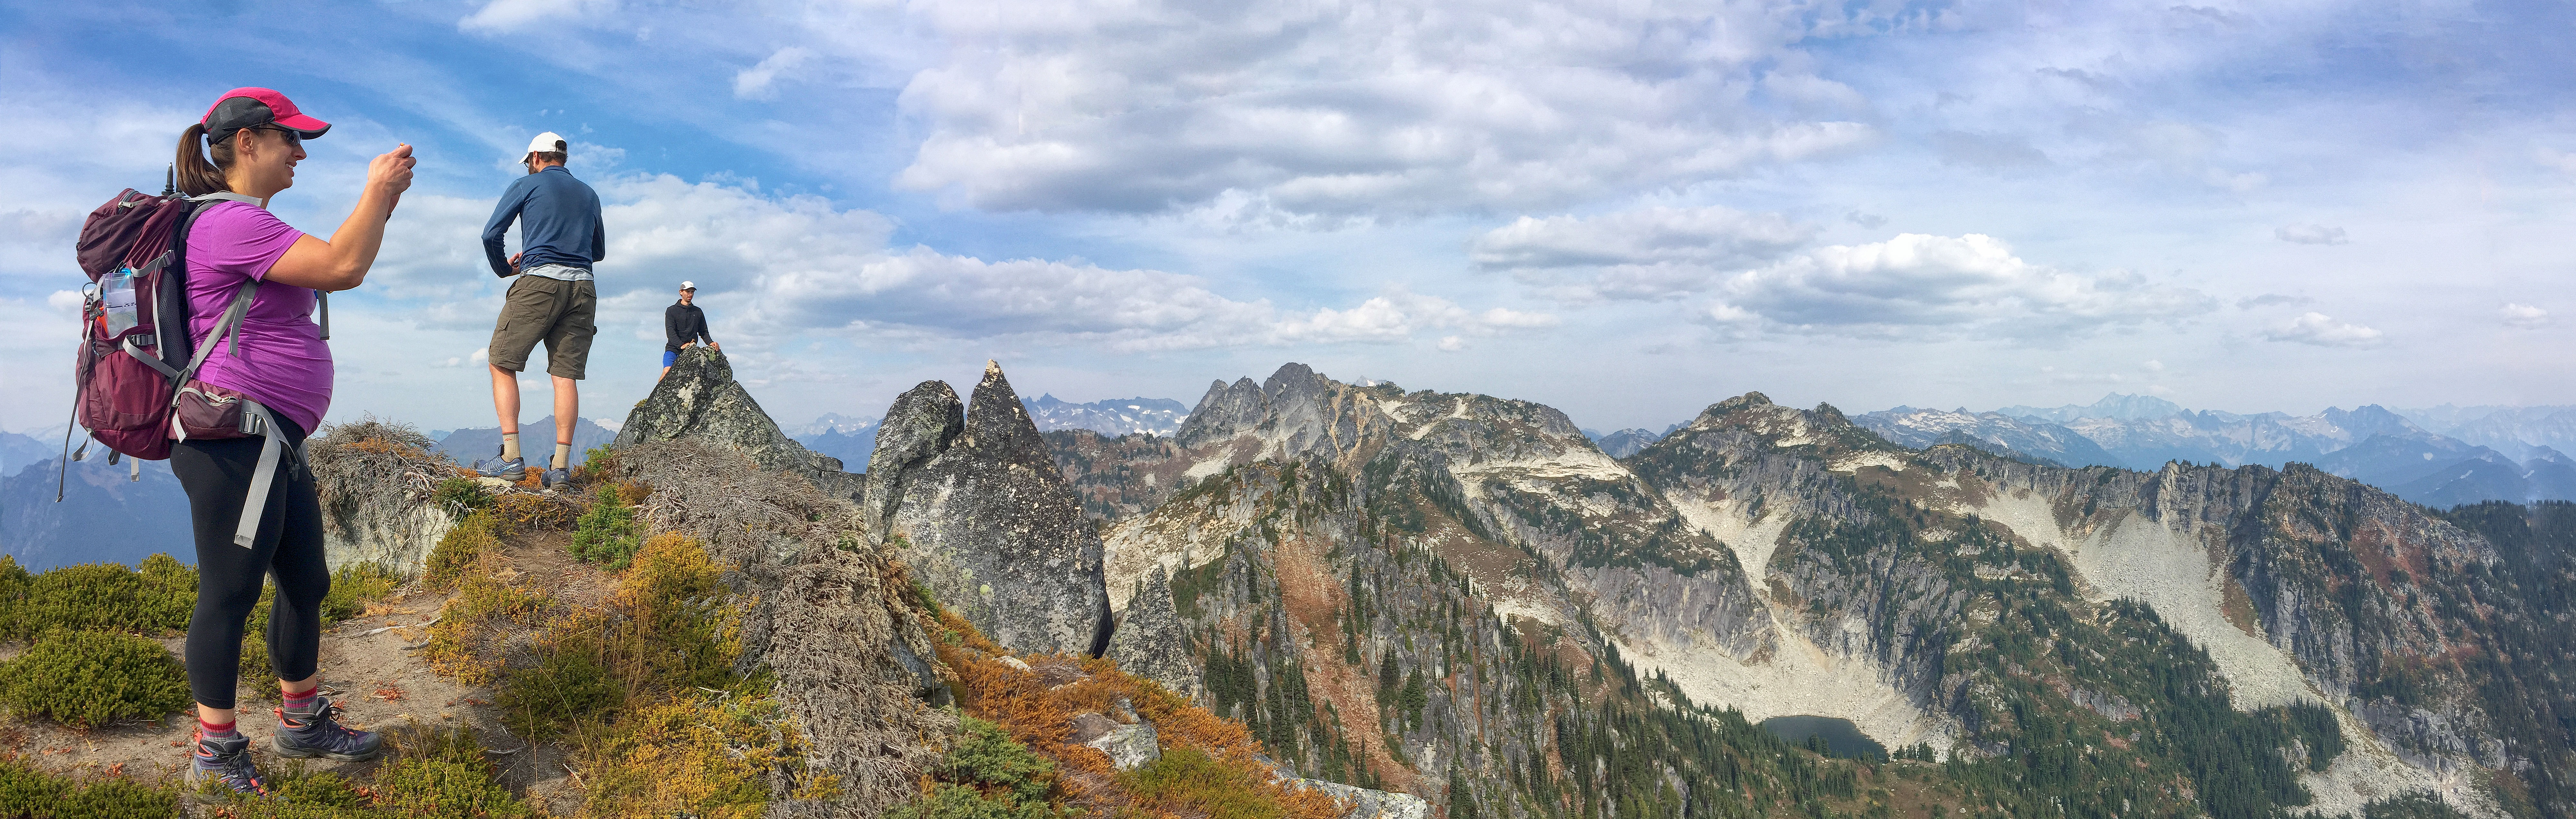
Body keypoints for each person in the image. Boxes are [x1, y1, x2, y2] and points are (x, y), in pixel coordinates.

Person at [169, 87, 414, 796]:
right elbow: (343, 266)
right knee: (231, 591)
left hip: (270, 439)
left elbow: (341, 256)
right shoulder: (226, 224)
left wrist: (383, 202)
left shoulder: (245, 223)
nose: (300, 153)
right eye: (291, 139)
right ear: (247, 142)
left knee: (307, 581)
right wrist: (373, 189)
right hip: (231, 438)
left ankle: (303, 721)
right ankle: (215, 756)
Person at [473, 131, 604, 489]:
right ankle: (560, 468)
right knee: (565, 376)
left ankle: (511, 458)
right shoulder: (590, 194)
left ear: (535, 157)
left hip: (539, 284)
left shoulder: (525, 186)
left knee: (501, 361)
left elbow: (491, 235)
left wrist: (506, 269)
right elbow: (599, 251)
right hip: (583, 288)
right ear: (562, 158)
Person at [660, 280, 718, 381]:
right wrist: (681, 345)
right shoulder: (671, 311)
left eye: (692, 292)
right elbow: (671, 332)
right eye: (688, 292)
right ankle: (656, 396)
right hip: (673, 350)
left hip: (691, 351)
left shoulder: (698, 311)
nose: (691, 294)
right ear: (681, 292)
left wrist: (711, 343)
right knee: (667, 372)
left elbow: (704, 332)